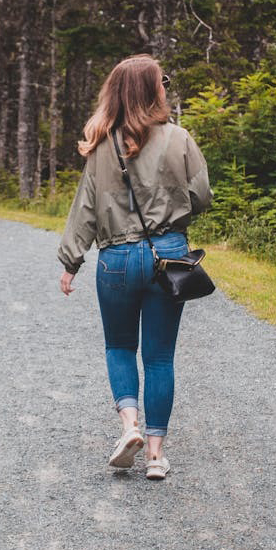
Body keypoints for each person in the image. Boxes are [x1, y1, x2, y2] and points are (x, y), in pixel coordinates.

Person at [57, 54, 212, 480]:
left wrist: (71, 262)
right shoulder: (180, 139)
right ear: (150, 90)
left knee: (119, 347)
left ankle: (130, 427)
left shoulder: (101, 146)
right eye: (161, 80)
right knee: (159, 357)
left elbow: (85, 209)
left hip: (117, 260)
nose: (165, 85)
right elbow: (202, 196)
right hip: (170, 257)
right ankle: (156, 457)